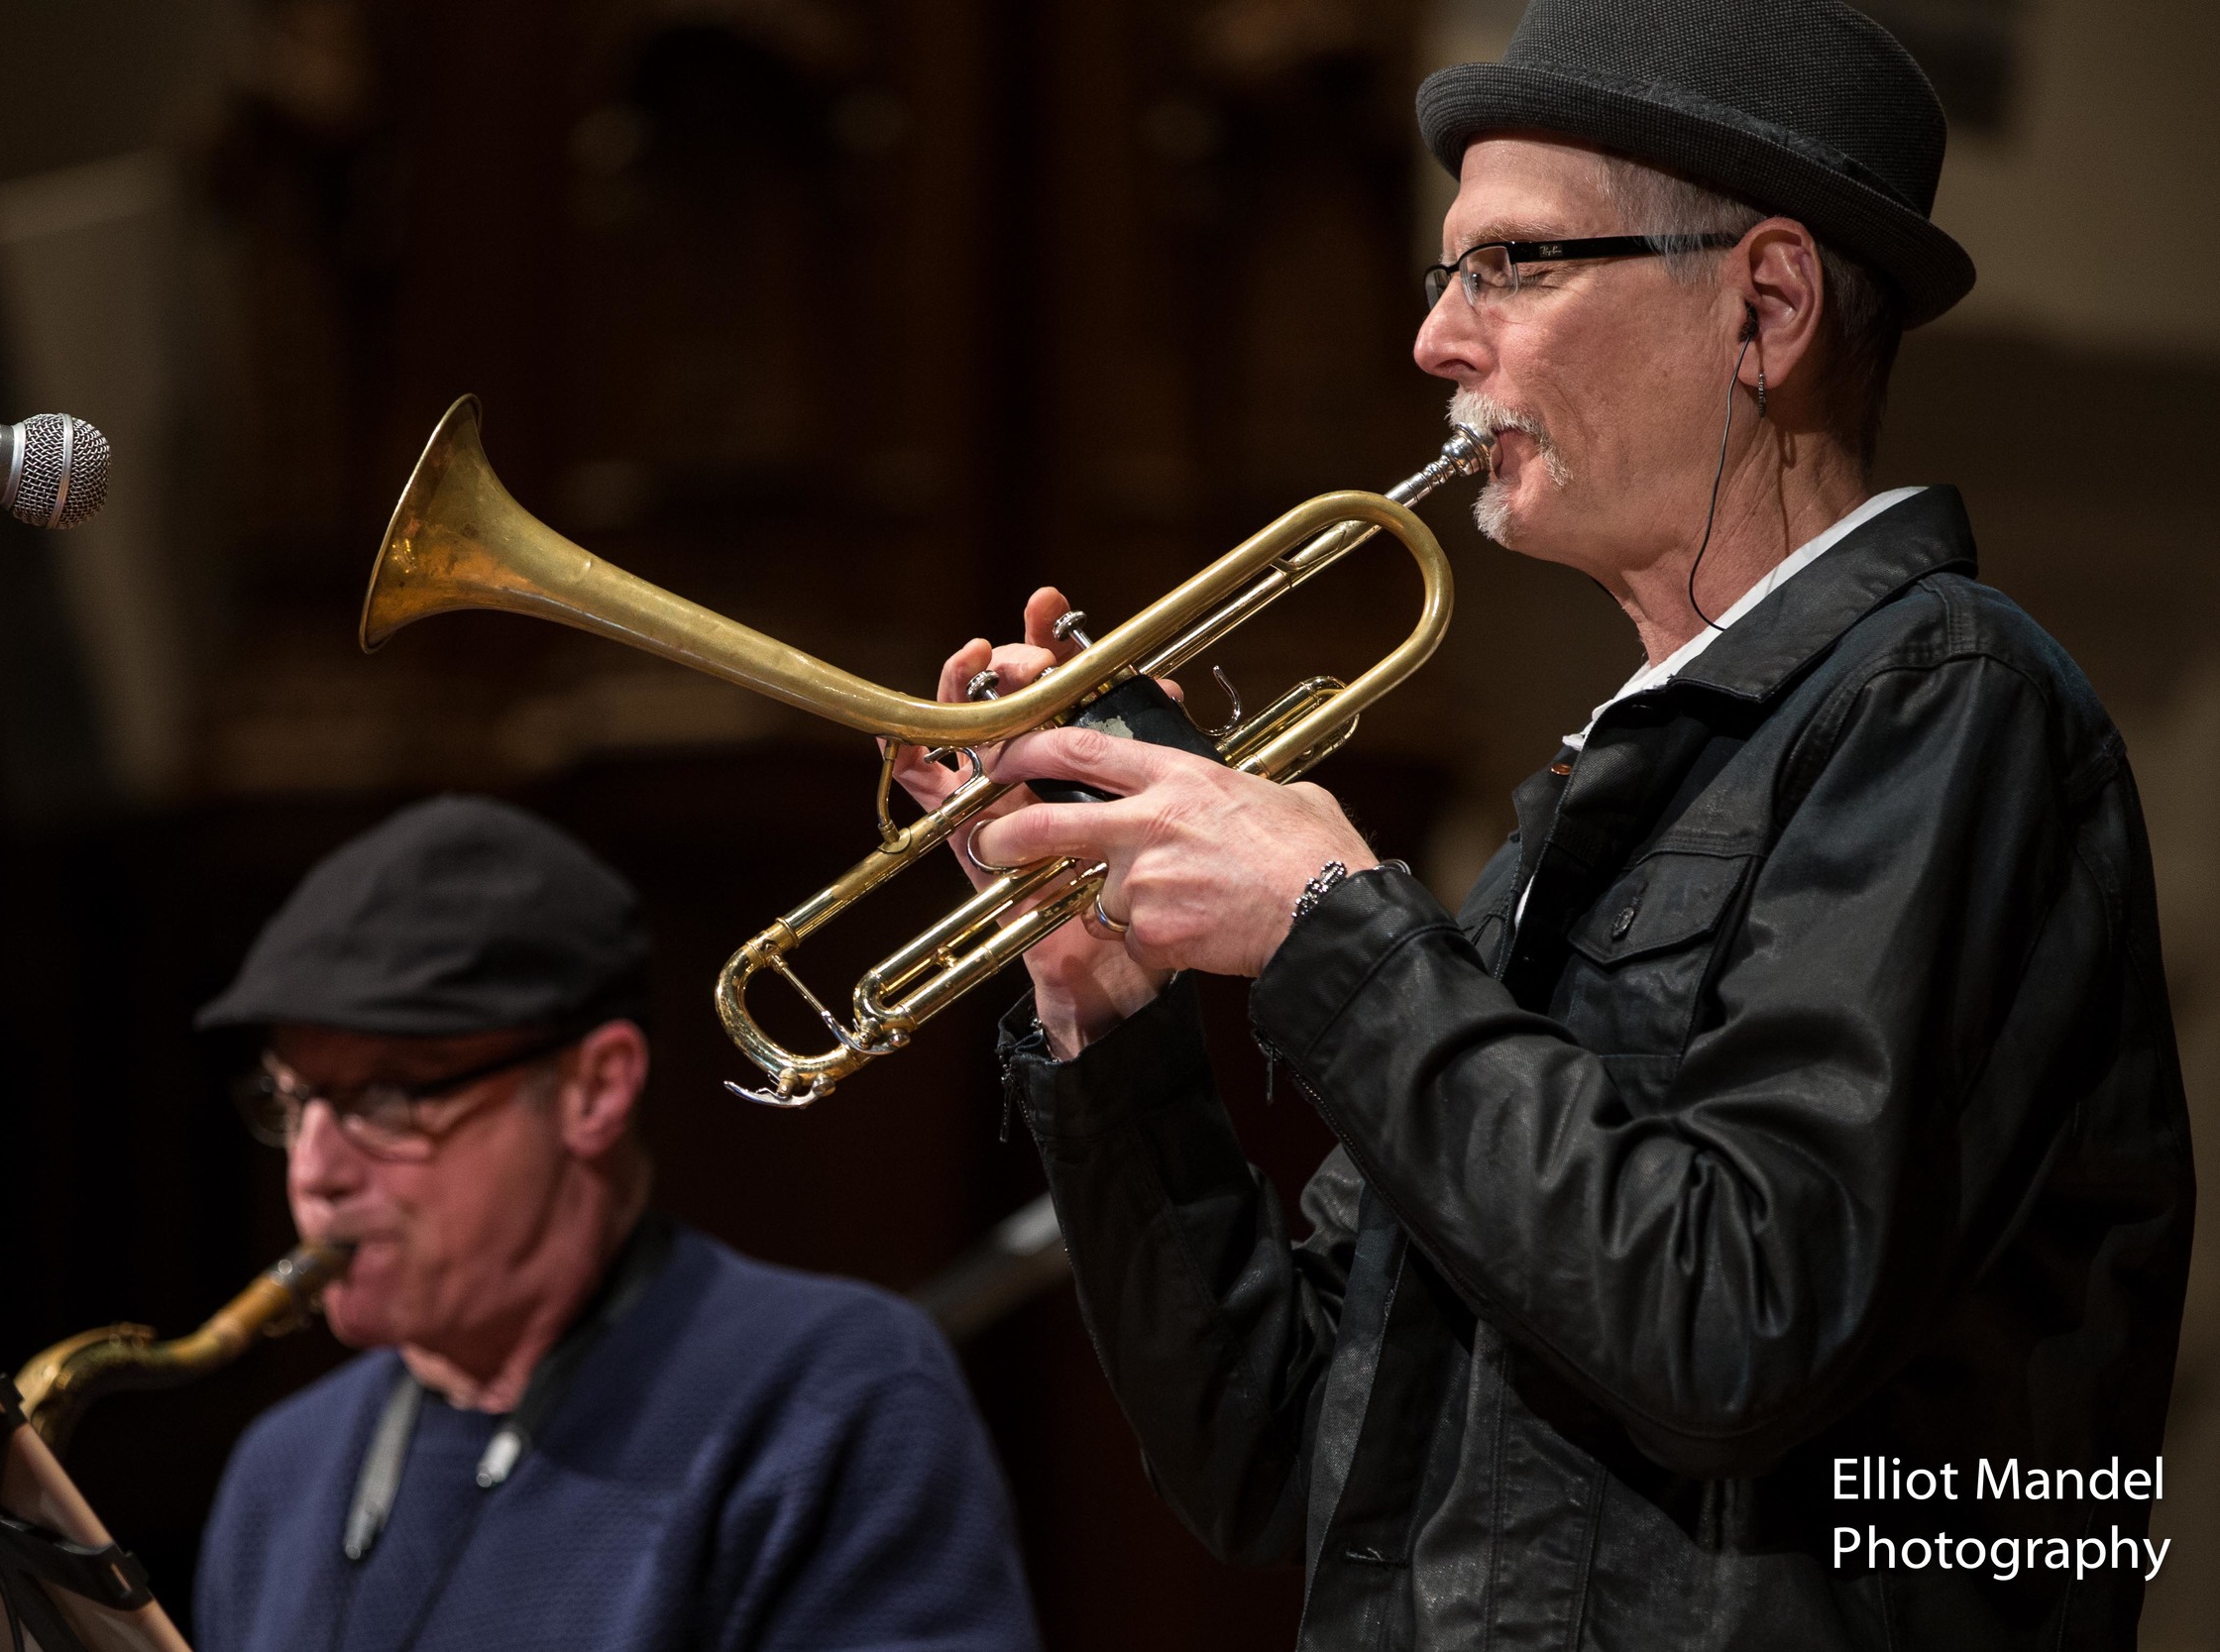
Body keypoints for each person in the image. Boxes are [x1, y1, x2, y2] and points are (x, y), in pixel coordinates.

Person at [896, 2, 2193, 1646]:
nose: (1440, 341)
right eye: (1449, 273)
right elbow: (1277, 1454)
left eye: (1512, 265)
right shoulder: (1588, 811)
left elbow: (1738, 1324)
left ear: (1765, 304)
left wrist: (1336, 930)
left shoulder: (1948, 703)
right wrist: (1114, 1016)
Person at [191, 794, 1041, 1652]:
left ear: (595, 1088)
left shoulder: (832, 1392)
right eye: (293, 1103)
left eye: (384, 1094)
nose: (314, 1171)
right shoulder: (280, 1472)